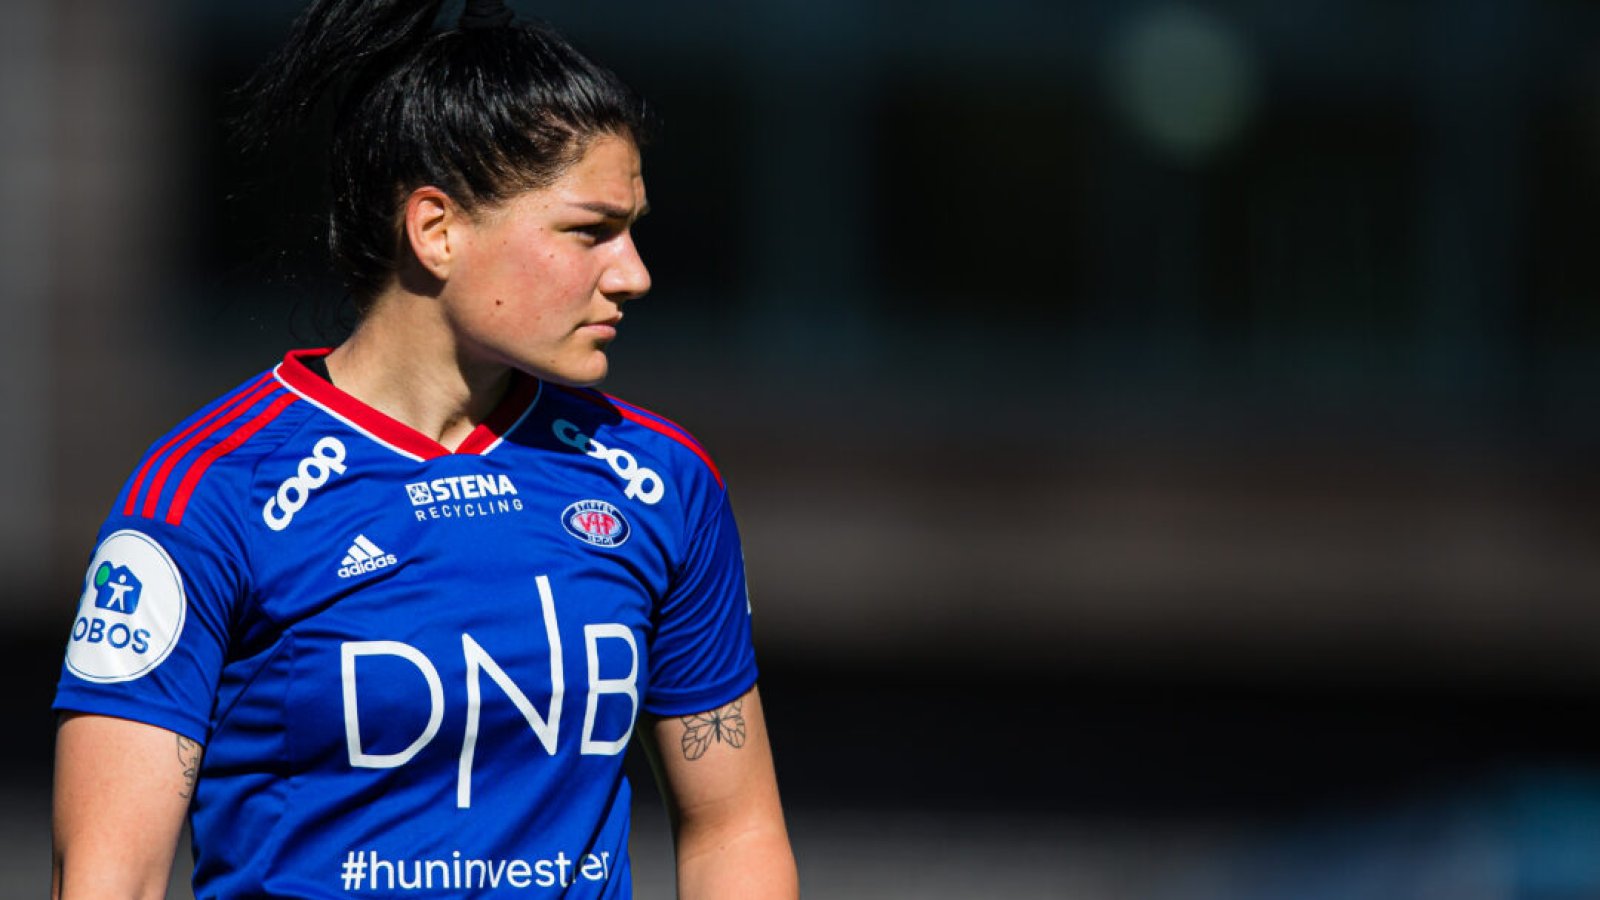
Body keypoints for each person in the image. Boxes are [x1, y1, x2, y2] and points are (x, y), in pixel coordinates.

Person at [50, 0, 798, 896]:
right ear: (436, 229)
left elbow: (734, 829)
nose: (632, 273)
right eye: (590, 231)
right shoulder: (205, 495)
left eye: (631, 230)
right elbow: (109, 879)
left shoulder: (663, 479)